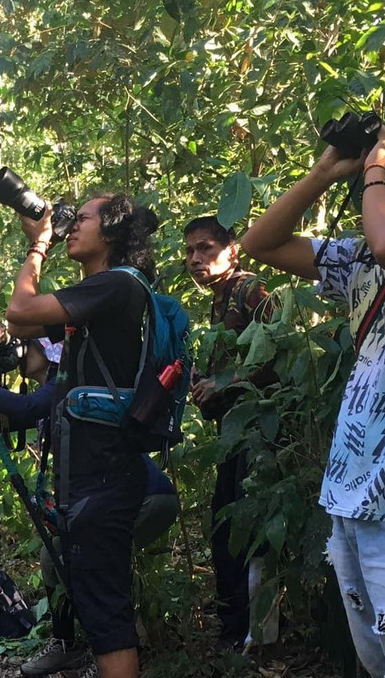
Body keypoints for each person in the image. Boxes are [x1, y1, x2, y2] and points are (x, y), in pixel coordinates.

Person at [0, 345, 179, 677]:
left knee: (93, 565)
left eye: (30, 347)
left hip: (146, 497)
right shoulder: (53, 392)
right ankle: (71, 644)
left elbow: (25, 407)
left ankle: (117, 652)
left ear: (50, 354)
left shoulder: (65, 382)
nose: (21, 354)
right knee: (52, 556)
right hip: (124, 497)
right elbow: (10, 419)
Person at [240, 138, 385, 676]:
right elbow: (261, 243)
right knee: (374, 653)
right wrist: (325, 171)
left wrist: (375, 167)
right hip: (353, 485)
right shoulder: (359, 262)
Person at [4, 193, 160, 678]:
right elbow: (25, 324)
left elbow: (20, 311)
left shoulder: (115, 285)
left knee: (107, 615)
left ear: (111, 233)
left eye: (82, 220)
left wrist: (38, 247)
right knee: (100, 608)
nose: (71, 226)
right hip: (98, 475)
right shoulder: (103, 292)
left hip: (105, 479)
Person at [184, 215, 275, 647]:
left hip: (261, 433)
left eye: (205, 248)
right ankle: (234, 630)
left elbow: (282, 351)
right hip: (232, 434)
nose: (195, 258)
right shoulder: (219, 300)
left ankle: (260, 637)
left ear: (231, 251)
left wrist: (225, 382)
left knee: (250, 533)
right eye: (189, 251)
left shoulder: (249, 288)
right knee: (225, 530)